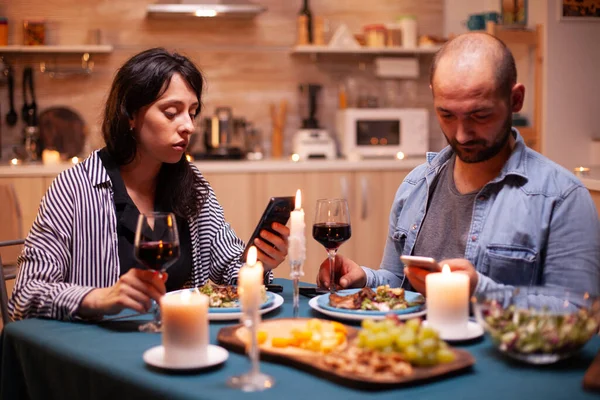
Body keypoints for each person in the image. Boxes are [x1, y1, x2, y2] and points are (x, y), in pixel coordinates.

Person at [9, 48, 289, 321]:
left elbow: (228, 265)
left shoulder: (192, 184)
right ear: (131, 115)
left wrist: (258, 262)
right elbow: (25, 295)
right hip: (98, 353)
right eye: (171, 112)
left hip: (183, 339)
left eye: (192, 112)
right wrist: (99, 297)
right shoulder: (76, 188)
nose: (188, 126)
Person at [317, 32, 600, 297]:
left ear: (515, 99)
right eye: (447, 115)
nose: (462, 134)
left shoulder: (561, 198)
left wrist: (480, 292)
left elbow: (577, 310)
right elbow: (399, 282)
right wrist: (365, 279)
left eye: (480, 115)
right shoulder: (415, 186)